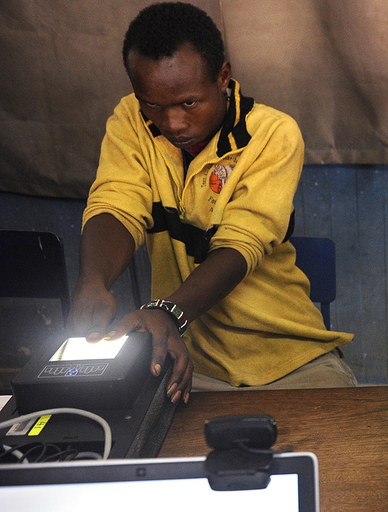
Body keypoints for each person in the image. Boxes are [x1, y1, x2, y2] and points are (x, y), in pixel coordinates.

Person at [70, 2, 354, 404]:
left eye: (188, 103)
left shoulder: (272, 134)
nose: (172, 124)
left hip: (290, 359)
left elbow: (241, 243)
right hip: (188, 363)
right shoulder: (131, 121)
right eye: (153, 104)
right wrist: (92, 280)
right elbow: (116, 206)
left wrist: (169, 313)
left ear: (222, 76)